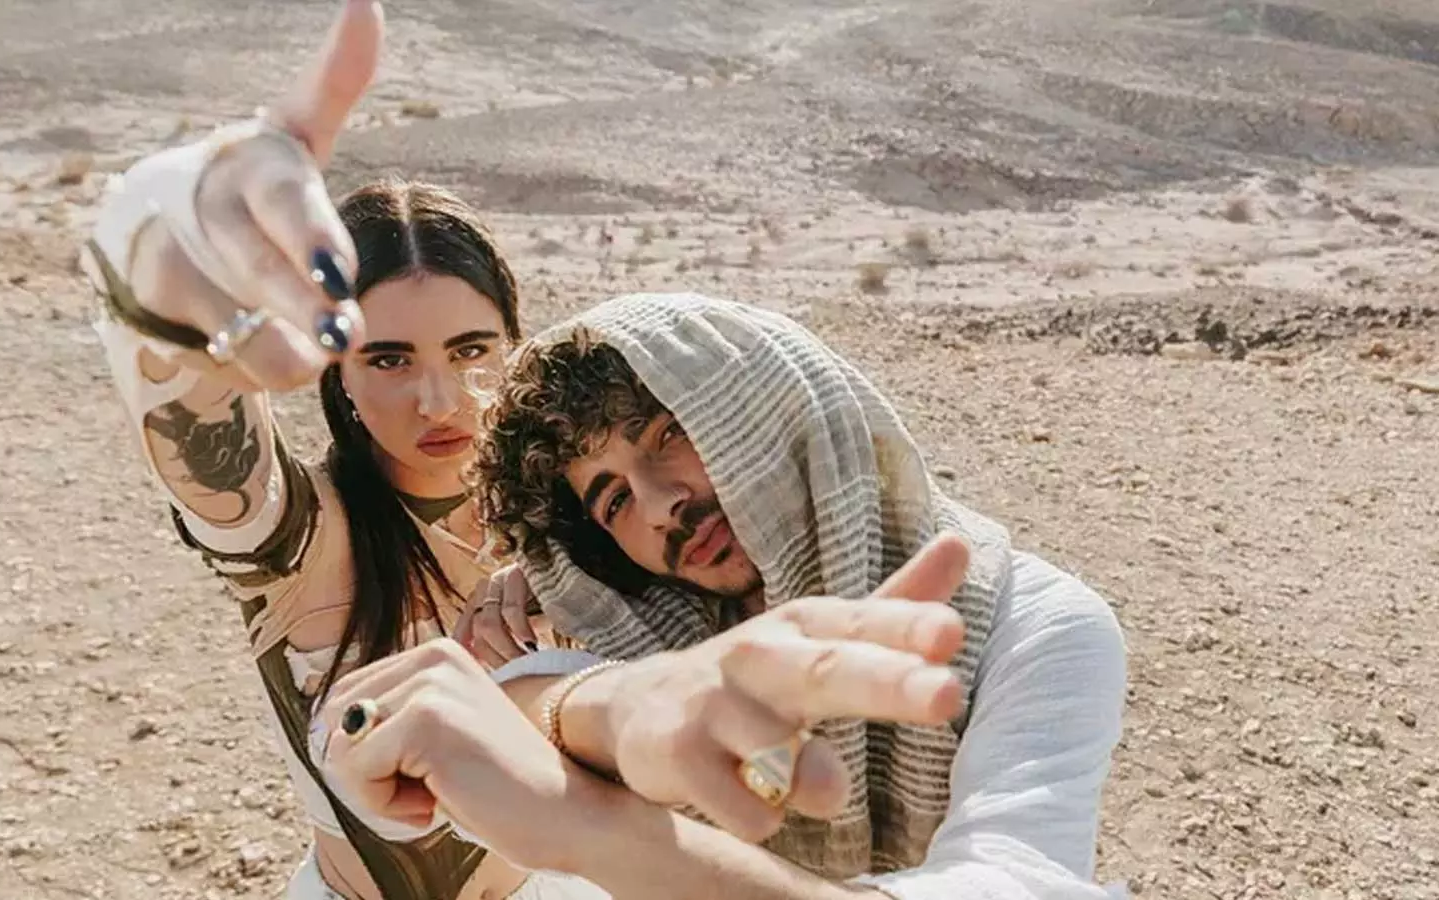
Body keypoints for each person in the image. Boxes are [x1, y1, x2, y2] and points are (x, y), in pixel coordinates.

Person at [315, 291, 1132, 899]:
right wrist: (600, 708)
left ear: (768, 406)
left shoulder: (1040, 629)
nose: (659, 505)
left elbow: (1012, 882)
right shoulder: (635, 625)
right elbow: (528, 712)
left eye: (668, 436)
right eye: (611, 499)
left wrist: (598, 828)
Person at [79, 3, 593, 897]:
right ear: (338, 374)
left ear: (514, 345)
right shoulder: (298, 539)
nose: (440, 400)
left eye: (471, 350)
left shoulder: (582, 518)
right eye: (388, 359)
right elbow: (198, 428)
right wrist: (157, 237)